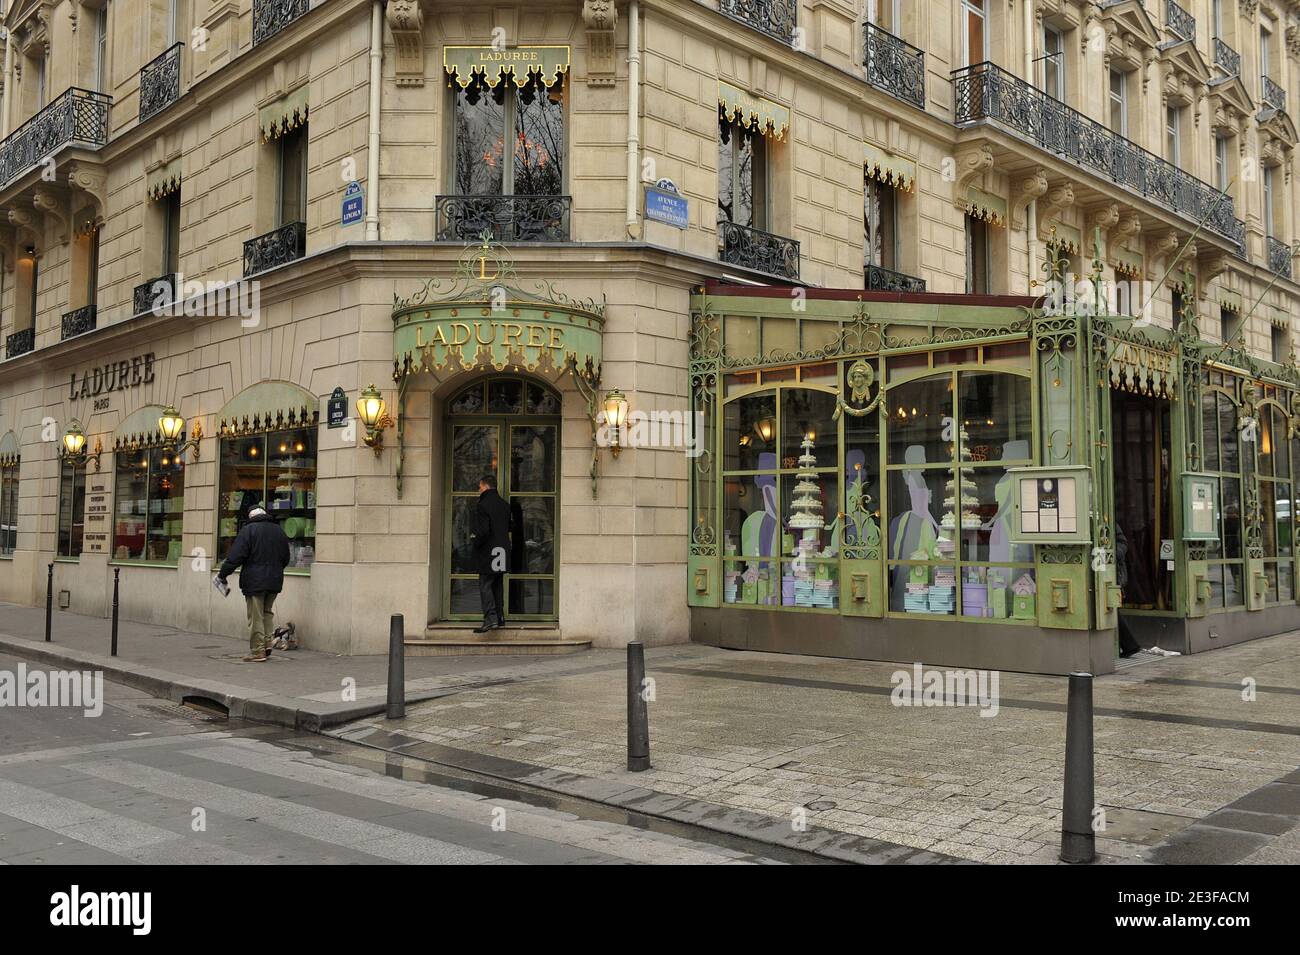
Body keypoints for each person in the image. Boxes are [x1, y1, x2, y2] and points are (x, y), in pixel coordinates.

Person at [217, 505, 290, 662]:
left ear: (251, 517)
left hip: (255, 581)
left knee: (256, 616)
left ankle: (257, 651)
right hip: (275, 579)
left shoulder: (249, 530)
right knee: (267, 612)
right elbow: (286, 558)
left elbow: (235, 556)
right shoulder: (279, 531)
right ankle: (267, 644)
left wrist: (223, 574)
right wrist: (275, 570)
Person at [472, 474, 512, 633]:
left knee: (485, 585)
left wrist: (475, 541)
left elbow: (483, 531)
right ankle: (500, 618)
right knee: (497, 584)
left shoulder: (483, 505)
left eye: (480, 487)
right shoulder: (505, 505)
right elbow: (509, 527)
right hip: (502, 550)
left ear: (486, 486)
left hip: (488, 551)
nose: (479, 490)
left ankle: (490, 619)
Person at [1114, 523, 1142, 657]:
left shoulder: (1105, 519)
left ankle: (1130, 645)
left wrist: (1113, 554)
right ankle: (1129, 645)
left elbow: (1122, 543)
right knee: (1113, 610)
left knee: (1112, 609)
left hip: (1109, 572)